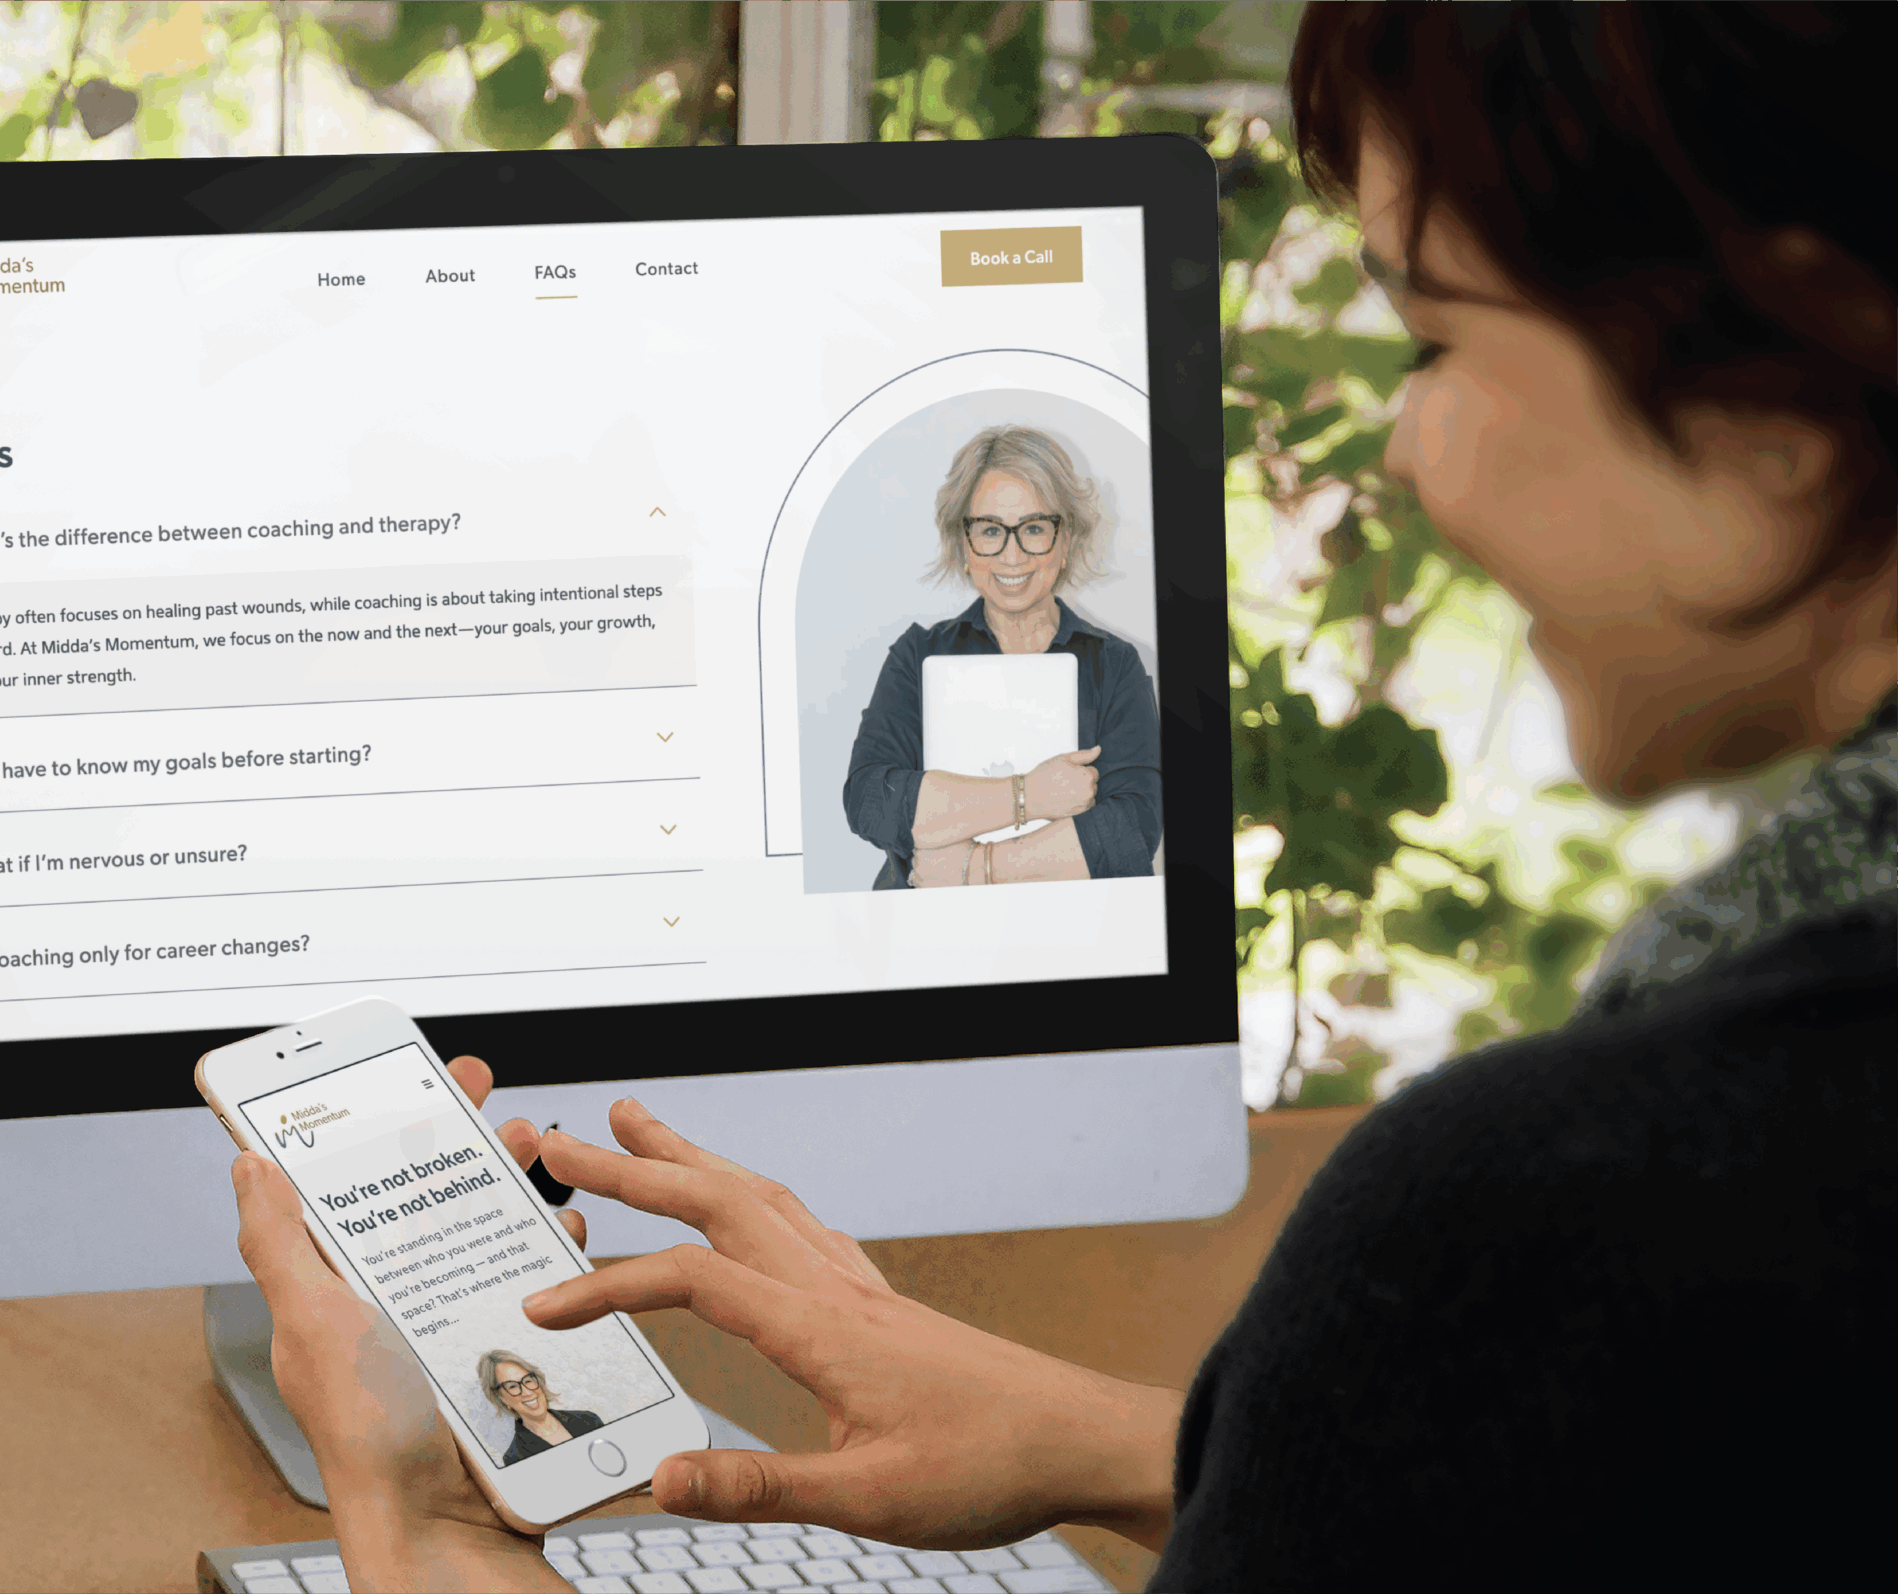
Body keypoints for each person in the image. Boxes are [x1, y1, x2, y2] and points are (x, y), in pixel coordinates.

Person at [227, 5, 1895, 1588]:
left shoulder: (1572, 1221)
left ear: (1781, 398)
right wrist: (1152, 1439)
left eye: (1436, 334)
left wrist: (422, 1517)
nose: (1401, 448)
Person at [843, 424, 1162, 888]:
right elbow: (872, 801)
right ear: (963, 542)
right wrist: (1030, 796)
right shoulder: (917, 657)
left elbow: (1131, 831)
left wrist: (975, 868)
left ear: (1066, 537)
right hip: (927, 938)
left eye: (1034, 528)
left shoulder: (1113, 665)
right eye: (991, 530)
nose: (1012, 556)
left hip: (1076, 938)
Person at [474, 1352, 605, 1466]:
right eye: (513, 1386)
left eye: (528, 1380)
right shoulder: (516, 1457)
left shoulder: (589, 1420)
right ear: (501, 1398)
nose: (527, 1392)